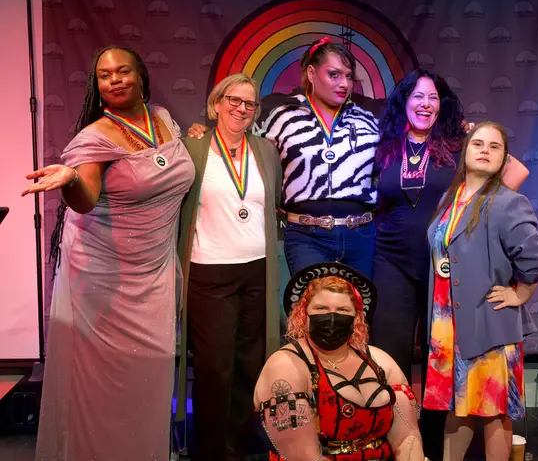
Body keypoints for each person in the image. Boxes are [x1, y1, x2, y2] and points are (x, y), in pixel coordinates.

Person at [22, 46, 195, 460]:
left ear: (142, 76)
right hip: (104, 281)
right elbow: (85, 200)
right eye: (104, 75)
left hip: (154, 274)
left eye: (122, 71)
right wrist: (68, 180)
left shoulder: (164, 121)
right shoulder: (94, 138)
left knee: (146, 383)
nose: (114, 79)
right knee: (104, 389)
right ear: (96, 86)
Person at [371, 69, 530, 460]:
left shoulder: (459, 142)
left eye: (433, 98)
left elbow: (516, 170)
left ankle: (427, 444)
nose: (425, 105)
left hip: (443, 266)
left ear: (443, 106)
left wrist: (483, 210)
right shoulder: (386, 146)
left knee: (437, 357)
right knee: (388, 354)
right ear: (404, 103)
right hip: (390, 259)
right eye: (417, 97)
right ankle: (396, 443)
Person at [189, 38, 380, 277]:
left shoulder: (368, 121)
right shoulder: (282, 117)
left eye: (349, 77)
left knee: (358, 311)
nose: (344, 84)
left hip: (360, 237)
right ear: (311, 73)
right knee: (312, 310)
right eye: (334, 74)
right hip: (307, 237)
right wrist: (209, 134)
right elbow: (242, 143)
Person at [422, 121, 538, 460]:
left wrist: (520, 295)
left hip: (487, 321)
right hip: (448, 325)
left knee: (494, 411)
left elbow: (536, 259)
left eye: (494, 147)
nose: (484, 150)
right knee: (457, 406)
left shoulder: (508, 202)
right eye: (478, 143)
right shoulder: (450, 198)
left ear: (503, 158)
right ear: (464, 151)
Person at [177, 73, 282, 461]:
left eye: (249, 103)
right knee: (213, 366)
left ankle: (239, 443)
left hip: (257, 270)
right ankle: (211, 449)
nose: (241, 108)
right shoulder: (193, 148)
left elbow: (274, 202)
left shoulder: (266, 151)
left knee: (249, 362)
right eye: (234, 100)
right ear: (216, 103)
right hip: (210, 272)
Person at [254, 262, 426, 461]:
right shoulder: (286, 365)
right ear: (304, 314)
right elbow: (304, 457)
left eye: (343, 310)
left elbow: (408, 438)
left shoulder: (380, 361)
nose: (332, 317)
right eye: (321, 308)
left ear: (356, 318)